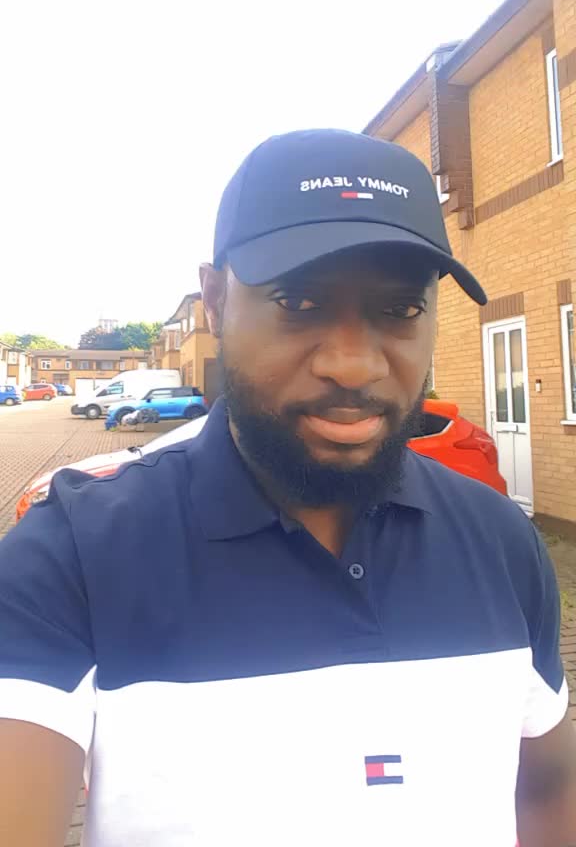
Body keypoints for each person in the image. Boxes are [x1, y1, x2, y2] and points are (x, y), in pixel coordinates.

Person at [0, 130, 575, 847]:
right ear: (215, 302)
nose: (353, 365)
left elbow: (547, 790)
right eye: (299, 301)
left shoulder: (499, 539)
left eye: (400, 309)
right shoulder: (75, 553)